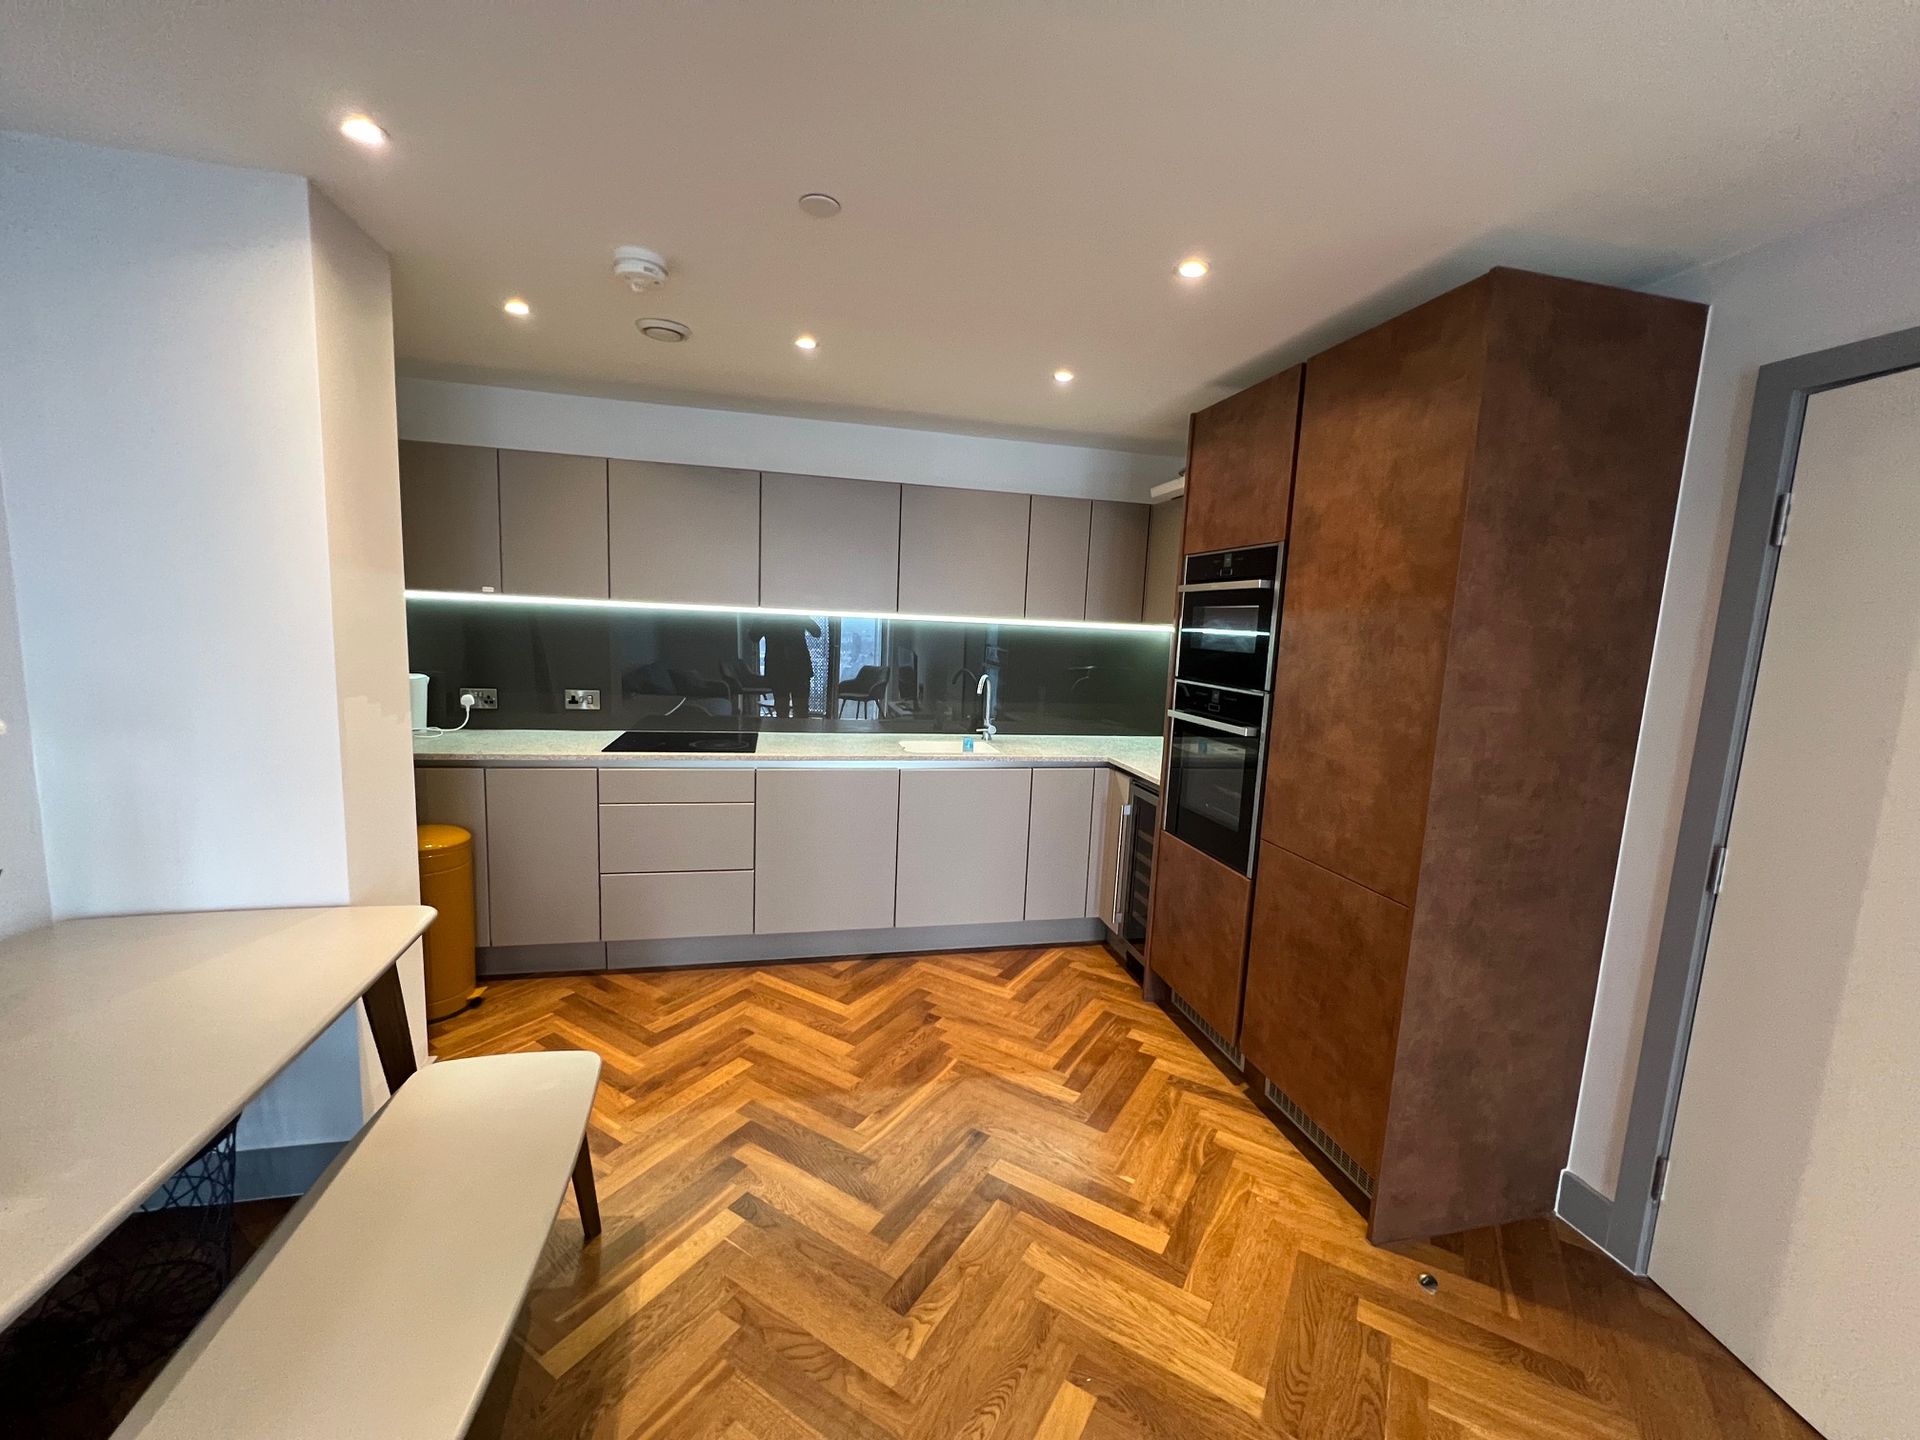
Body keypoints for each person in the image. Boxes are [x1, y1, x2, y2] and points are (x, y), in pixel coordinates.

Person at [750, 617, 821, 719]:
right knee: (798, 709)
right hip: (797, 666)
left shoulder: (769, 616)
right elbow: (816, 632)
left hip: (779, 667)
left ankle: (786, 728)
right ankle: (798, 728)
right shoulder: (795, 614)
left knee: (783, 709)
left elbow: (753, 636)